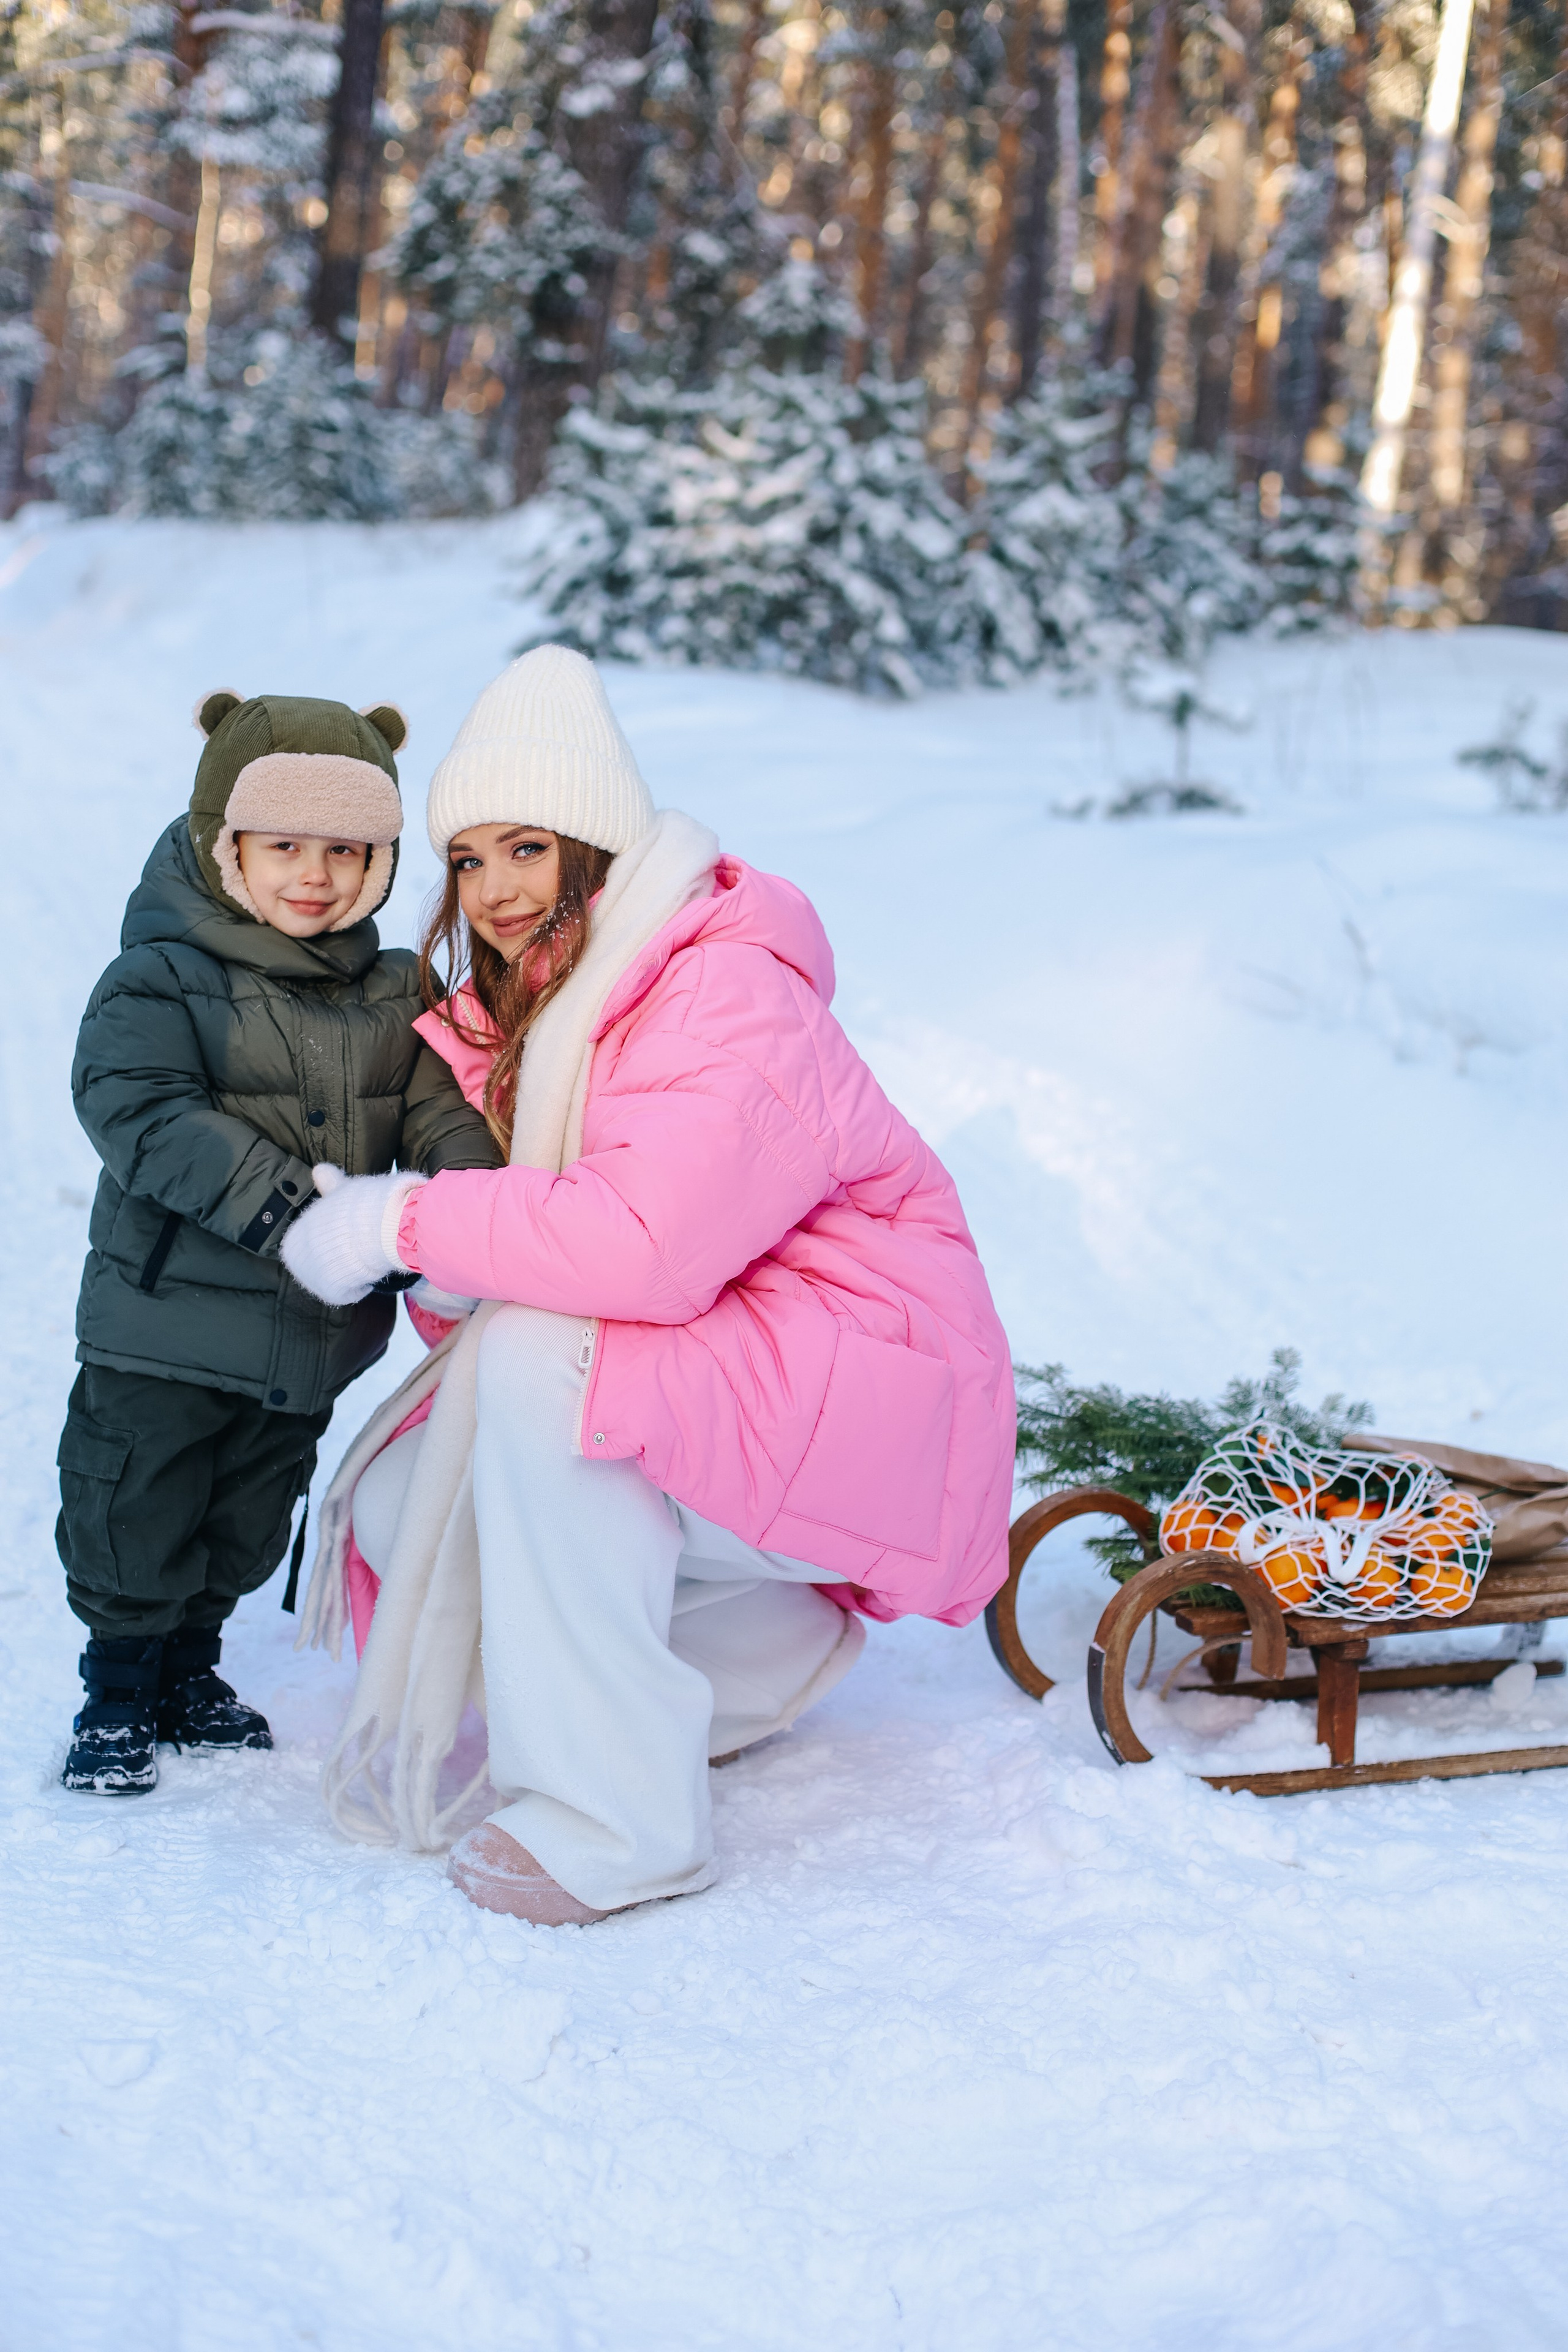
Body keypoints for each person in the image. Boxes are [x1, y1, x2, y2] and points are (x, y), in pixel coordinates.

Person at [283, 646, 1015, 1924]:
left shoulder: (717, 986)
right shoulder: (525, 1016)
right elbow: (505, 1259)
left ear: (596, 845)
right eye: (469, 859)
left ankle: (616, 1822)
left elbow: (640, 1247)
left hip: (872, 1389)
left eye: (528, 848)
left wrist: (398, 1218)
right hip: (753, 1377)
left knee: (542, 1374)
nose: (498, 890)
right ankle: (750, 1666)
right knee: (413, 1504)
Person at [56, 690, 501, 1796]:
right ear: (225, 848)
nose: (317, 874)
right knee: (136, 1500)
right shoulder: (161, 976)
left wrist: (471, 1191)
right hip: (164, 1322)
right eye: (285, 846)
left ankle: (190, 1668)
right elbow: (139, 1107)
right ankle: (117, 1689)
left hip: (313, 1334)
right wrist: (294, 1212)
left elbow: (441, 1102)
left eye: (348, 850)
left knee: (251, 1511)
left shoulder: (400, 987)